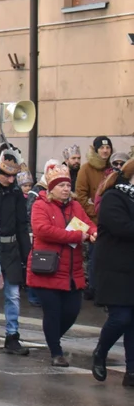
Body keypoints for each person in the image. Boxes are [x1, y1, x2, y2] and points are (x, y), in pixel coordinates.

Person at [26, 163, 97, 367]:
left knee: (72, 312)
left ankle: (52, 338)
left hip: (72, 272)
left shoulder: (75, 206)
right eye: (61, 185)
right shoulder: (41, 205)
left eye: (67, 185)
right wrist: (76, 235)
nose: (66, 189)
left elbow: (87, 222)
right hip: (47, 269)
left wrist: (92, 232)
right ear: (51, 188)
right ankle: (56, 352)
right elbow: (42, 230)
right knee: (53, 312)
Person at [90, 158, 134, 387]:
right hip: (115, 270)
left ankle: (132, 372)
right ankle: (100, 351)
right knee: (121, 317)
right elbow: (123, 228)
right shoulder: (113, 197)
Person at [0, 146, 32, 356]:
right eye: (8, 176)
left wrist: (26, 255)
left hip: (11, 247)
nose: (12, 181)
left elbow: (23, 225)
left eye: (15, 177)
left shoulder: (15, 193)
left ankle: (12, 335)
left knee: (12, 295)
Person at [75, 136, 113, 301]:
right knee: (95, 256)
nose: (105, 151)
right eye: (102, 148)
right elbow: (81, 196)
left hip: (112, 222)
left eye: (108, 148)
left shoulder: (112, 168)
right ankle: (94, 289)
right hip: (95, 222)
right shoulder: (86, 169)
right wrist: (97, 211)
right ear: (96, 150)